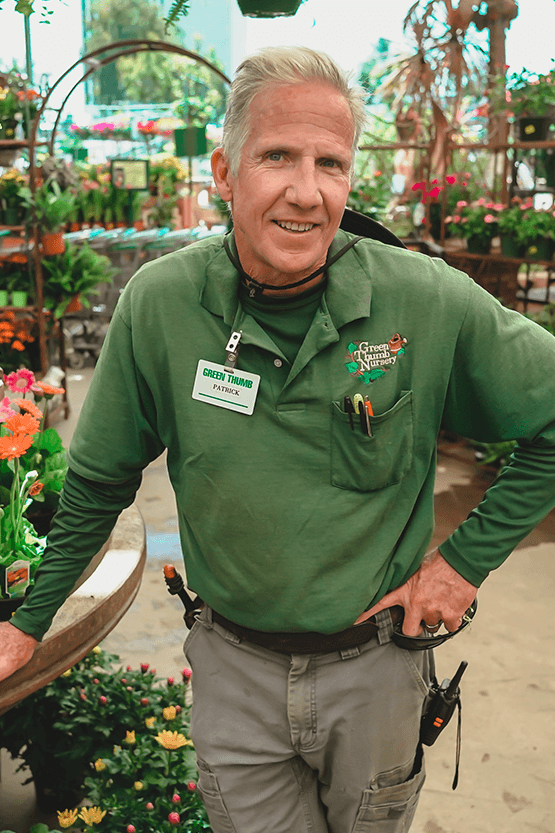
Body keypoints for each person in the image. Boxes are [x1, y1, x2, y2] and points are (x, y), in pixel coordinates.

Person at [2, 45, 555, 832]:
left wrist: (460, 567)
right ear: (224, 175)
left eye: (330, 162)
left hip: (377, 672)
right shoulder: (162, 305)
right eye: (276, 157)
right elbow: (97, 483)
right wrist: (26, 623)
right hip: (234, 669)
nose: (306, 191)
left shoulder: (423, 300)